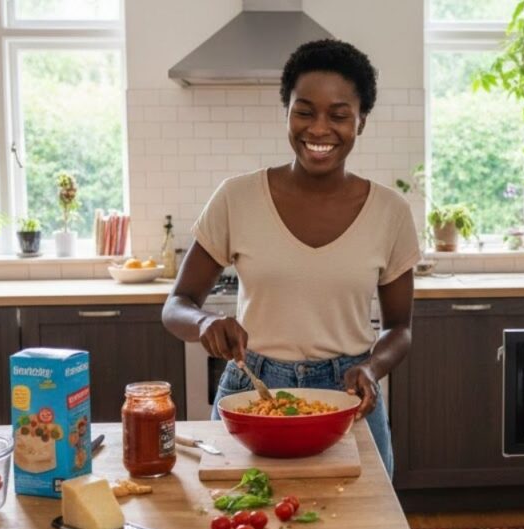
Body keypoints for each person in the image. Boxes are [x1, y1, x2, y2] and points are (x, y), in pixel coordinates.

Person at [162, 39, 420, 477]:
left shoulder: (390, 213)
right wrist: (205, 323)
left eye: (339, 115)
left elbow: (400, 328)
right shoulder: (236, 198)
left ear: (361, 122)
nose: (319, 129)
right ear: (286, 113)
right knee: (236, 518)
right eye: (304, 111)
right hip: (252, 391)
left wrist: (372, 368)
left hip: (348, 397)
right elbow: (177, 305)